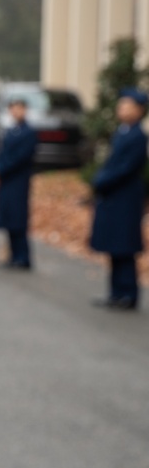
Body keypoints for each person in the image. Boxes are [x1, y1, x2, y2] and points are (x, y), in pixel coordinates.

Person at [89, 88, 149, 310]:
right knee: (114, 246)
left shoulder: (138, 136)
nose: (121, 108)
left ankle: (128, 293)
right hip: (114, 197)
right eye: (121, 104)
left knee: (124, 246)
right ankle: (115, 292)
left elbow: (124, 168)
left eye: (126, 105)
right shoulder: (122, 132)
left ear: (139, 110)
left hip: (126, 198)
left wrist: (101, 180)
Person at [0, 98, 38, 270]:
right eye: (13, 109)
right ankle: (13, 254)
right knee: (9, 218)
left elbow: (20, 157)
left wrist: (1, 169)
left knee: (18, 219)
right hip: (6, 181)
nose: (15, 112)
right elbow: (1, 153)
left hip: (18, 180)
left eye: (19, 109)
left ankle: (23, 256)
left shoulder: (28, 133)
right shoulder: (10, 131)